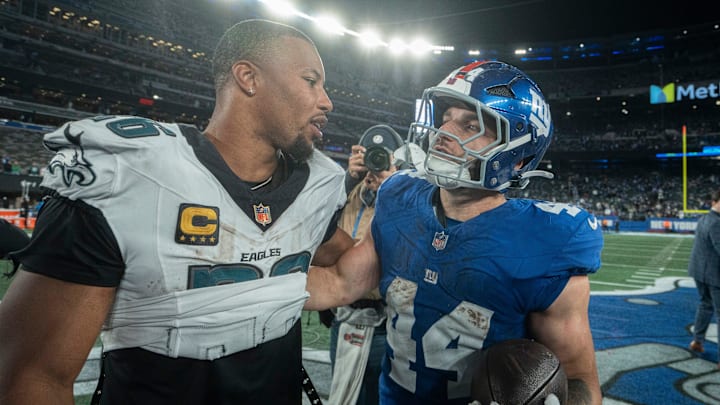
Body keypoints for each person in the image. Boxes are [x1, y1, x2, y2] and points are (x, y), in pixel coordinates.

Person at [0, 19, 354, 405]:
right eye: (310, 80)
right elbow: (31, 377)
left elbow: (342, 272)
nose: (326, 101)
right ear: (248, 77)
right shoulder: (128, 172)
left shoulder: (316, 185)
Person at [305, 60, 604, 405]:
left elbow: (579, 378)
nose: (444, 132)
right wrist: (250, 285)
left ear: (517, 157)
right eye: (446, 117)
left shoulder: (547, 241)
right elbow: (340, 282)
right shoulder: (400, 196)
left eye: (471, 125)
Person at [327, 125, 404, 405]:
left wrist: (392, 187)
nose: (375, 163)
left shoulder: (404, 195)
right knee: (345, 396)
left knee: (378, 398)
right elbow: (317, 225)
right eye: (369, 154)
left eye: (382, 156)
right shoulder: (345, 191)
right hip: (344, 315)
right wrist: (348, 179)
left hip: (385, 321)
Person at [688, 190, 720, 368]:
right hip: (713, 274)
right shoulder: (716, 223)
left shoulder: (704, 219)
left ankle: (697, 341)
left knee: (705, 305)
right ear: (714, 201)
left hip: (699, 271)